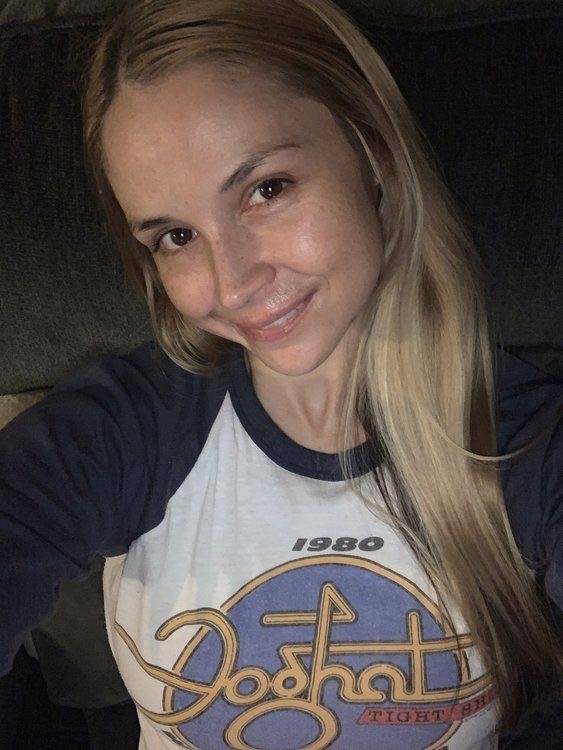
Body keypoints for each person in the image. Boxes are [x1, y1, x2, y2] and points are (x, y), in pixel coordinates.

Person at [0, 0, 561, 748]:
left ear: (372, 155)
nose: (232, 284)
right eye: (176, 235)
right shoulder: (123, 433)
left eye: (265, 190)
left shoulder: (525, 445)